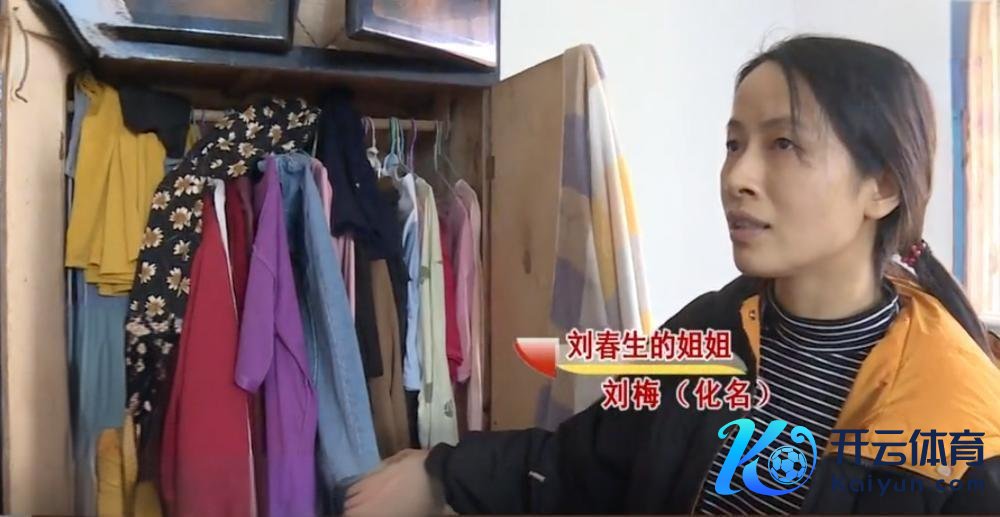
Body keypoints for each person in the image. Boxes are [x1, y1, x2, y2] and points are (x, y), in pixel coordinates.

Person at [343, 35, 1000, 515]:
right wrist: (440, 472)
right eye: (734, 143)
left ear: (882, 186)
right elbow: (583, 465)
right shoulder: (712, 329)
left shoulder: (962, 419)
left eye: (783, 144)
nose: (737, 177)